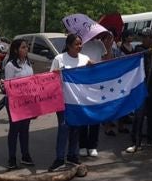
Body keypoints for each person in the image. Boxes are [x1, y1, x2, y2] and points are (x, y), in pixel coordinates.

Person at [48, 34, 90, 172]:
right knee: (64, 128)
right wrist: (57, 73)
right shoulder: (59, 59)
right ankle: (60, 159)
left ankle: (72, 155)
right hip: (63, 100)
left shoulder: (85, 59)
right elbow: (50, 78)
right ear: (69, 45)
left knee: (76, 129)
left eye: (80, 43)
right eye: (76, 44)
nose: (79, 46)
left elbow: (93, 72)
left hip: (78, 100)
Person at [126, 28, 152, 153]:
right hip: (141, 87)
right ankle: (136, 142)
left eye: (146, 37)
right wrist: (151, 51)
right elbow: (140, 54)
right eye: (143, 37)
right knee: (139, 116)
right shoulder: (138, 49)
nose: (144, 39)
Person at [78, 32, 113, 158]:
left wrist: (109, 47)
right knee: (83, 115)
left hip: (97, 83)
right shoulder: (81, 44)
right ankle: (82, 145)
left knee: (96, 115)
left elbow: (107, 60)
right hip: (83, 82)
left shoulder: (100, 44)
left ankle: (92, 145)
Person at [2, 39, 34, 170]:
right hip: (15, 102)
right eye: (23, 47)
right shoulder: (11, 65)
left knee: (25, 129)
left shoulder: (28, 64)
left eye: (26, 47)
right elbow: (9, 86)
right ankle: (12, 158)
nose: (26, 50)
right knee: (14, 130)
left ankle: (25, 155)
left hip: (27, 101)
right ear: (16, 50)